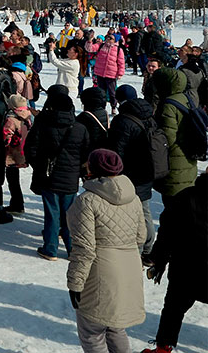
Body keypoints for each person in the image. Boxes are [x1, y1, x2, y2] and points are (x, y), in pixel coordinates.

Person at [66, 149, 147, 353]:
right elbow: (141, 237)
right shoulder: (133, 197)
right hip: (129, 269)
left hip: (100, 273)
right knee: (115, 326)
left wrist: (75, 283)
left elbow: (84, 248)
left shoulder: (87, 201)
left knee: (92, 332)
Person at [142, 172, 206, 353]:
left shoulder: (185, 196)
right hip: (188, 267)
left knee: (173, 310)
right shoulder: (185, 197)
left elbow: (166, 235)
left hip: (185, 269)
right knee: (173, 309)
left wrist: (158, 260)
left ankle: (163, 347)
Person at [26, 84, 90, 260]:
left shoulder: (43, 123)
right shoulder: (79, 128)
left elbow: (30, 147)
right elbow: (85, 153)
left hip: (48, 175)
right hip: (70, 178)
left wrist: (38, 165)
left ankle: (51, 248)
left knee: (52, 212)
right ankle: (72, 248)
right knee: (70, 214)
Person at [106, 85, 160, 259]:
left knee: (131, 212)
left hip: (130, 172)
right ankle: (149, 246)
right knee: (144, 209)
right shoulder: (148, 115)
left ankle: (136, 248)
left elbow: (117, 150)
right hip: (148, 168)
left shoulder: (122, 120)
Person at [152, 68, 198, 207]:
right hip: (189, 158)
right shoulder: (186, 98)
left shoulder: (168, 105)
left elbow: (168, 138)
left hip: (174, 163)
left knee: (174, 207)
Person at [0, 94, 32, 216]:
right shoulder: (28, 116)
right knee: (15, 179)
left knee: (12, 180)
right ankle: (18, 203)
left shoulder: (11, 119)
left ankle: (17, 204)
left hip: (12, 153)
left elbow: (6, 135)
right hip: (23, 152)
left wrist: (3, 144)